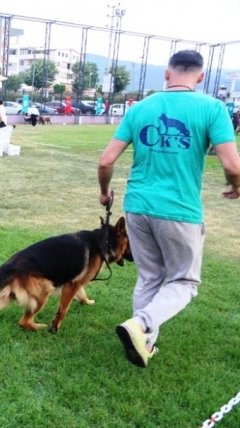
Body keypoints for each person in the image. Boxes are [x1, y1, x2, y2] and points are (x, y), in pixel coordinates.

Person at [98, 50, 240, 368]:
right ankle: (141, 325)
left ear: (166, 74)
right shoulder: (213, 108)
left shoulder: (141, 108)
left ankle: (143, 344)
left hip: (137, 206)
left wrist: (105, 192)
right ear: (200, 77)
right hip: (179, 210)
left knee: (149, 277)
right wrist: (237, 186)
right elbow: (233, 164)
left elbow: (106, 160)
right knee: (185, 282)